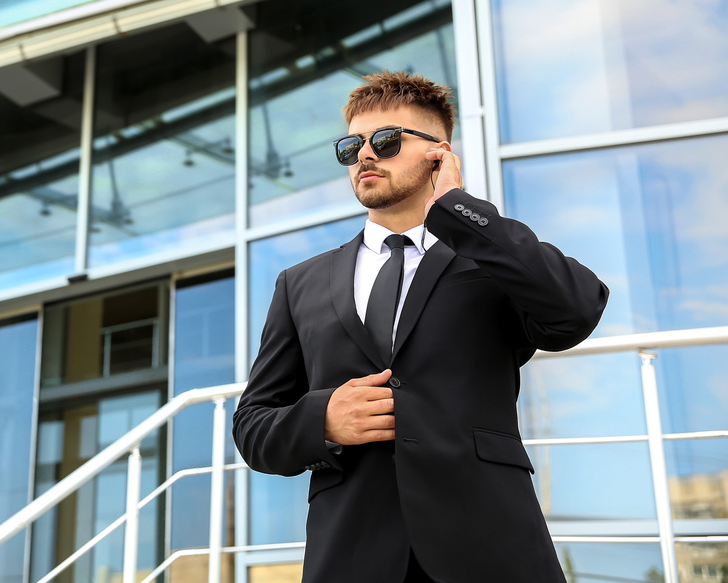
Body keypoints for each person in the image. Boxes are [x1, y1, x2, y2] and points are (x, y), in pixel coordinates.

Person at [232, 71, 609, 583]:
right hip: (352, 553)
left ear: (439, 153)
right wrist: (322, 419)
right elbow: (253, 424)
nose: (366, 155)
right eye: (352, 146)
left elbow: (576, 310)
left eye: (386, 141)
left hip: (490, 548)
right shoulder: (300, 283)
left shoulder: (486, 257)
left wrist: (460, 211)